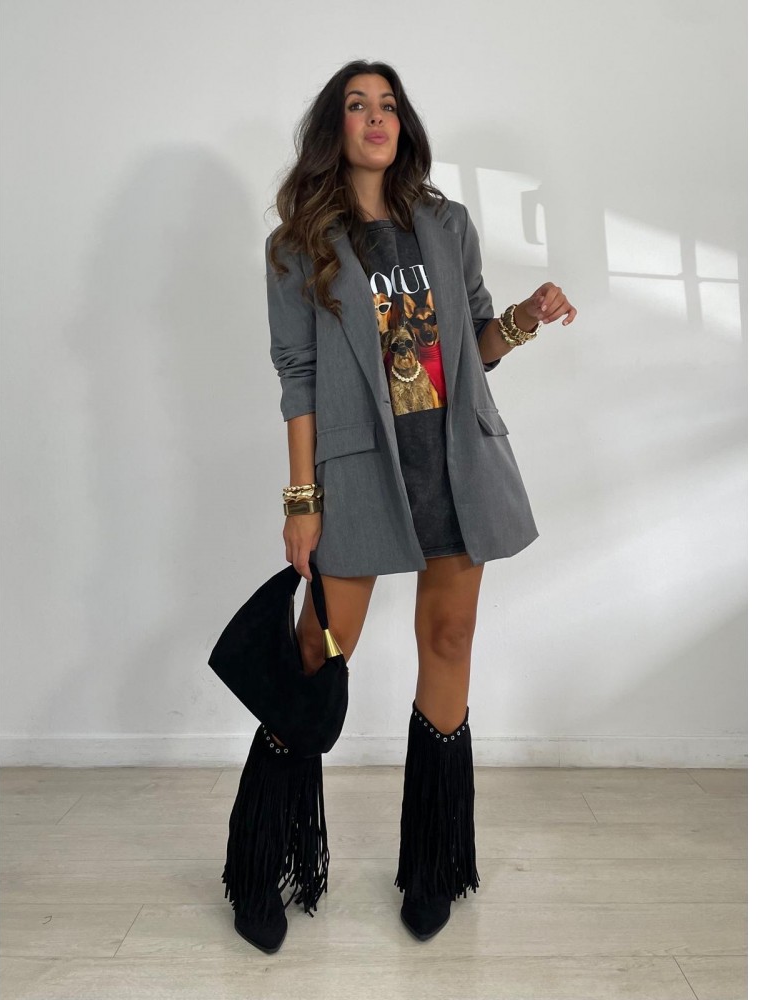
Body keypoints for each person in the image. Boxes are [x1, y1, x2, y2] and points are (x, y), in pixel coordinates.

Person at [223, 59, 577, 954]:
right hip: (358, 474)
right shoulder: (299, 243)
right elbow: (298, 374)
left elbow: (477, 344)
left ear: (404, 125)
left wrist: (525, 317)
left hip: (456, 469)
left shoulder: (447, 225)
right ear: (334, 127)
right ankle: (263, 865)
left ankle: (433, 865)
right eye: (357, 105)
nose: (375, 118)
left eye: (387, 105)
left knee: (449, 641)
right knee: (314, 653)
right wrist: (302, 500)